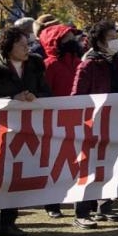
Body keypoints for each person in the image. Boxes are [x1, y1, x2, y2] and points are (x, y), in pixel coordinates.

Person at [0, 25, 52, 236]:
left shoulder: (35, 67)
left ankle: (9, 223)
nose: (26, 48)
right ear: (9, 47)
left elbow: (47, 92)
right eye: (21, 45)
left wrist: (34, 96)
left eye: (27, 44)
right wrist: (12, 101)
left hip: (26, 131)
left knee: (17, 177)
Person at [69, 21, 118, 227]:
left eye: (116, 37)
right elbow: (77, 96)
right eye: (111, 38)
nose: (116, 41)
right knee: (89, 166)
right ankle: (82, 211)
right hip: (94, 123)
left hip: (116, 119)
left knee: (112, 165)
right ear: (100, 40)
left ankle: (104, 206)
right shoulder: (89, 63)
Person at [38, 22, 81, 219]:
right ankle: (51, 203)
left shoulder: (78, 62)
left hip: (77, 119)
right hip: (55, 120)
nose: (72, 42)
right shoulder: (50, 65)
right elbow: (46, 93)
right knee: (54, 163)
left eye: (73, 38)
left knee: (74, 161)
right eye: (67, 38)